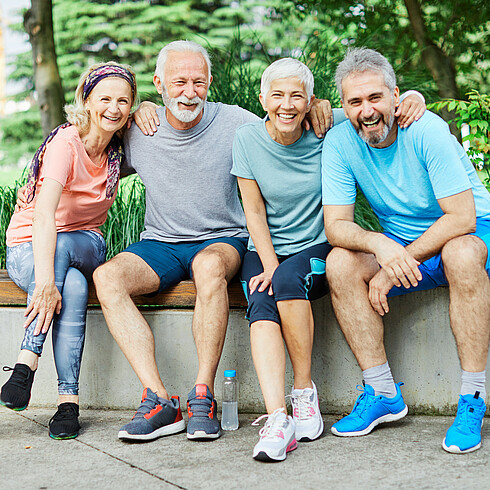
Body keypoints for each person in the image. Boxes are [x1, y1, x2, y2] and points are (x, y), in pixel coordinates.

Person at [92, 40, 338, 443]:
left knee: (208, 267)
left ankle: (201, 393)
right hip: (161, 243)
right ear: (159, 83)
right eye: (179, 82)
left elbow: (283, 114)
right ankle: (158, 399)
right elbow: (90, 145)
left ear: (210, 84)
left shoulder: (237, 123)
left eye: (198, 82)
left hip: (222, 240)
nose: (189, 92)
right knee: (107, 278)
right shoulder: (138, 129)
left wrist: (317, 103)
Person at [232, 58, 425, 462]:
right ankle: (277, 418)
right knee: (261, 300)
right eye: (278, 95)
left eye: (297, 96)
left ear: (311, 101)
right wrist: (267, 262)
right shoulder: (246, 139)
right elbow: (253, 211)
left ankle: (304, 393)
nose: (287, 105)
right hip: (265, 248)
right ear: (263, 99)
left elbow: (375, 108)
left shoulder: (330, 124)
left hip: (317, 246)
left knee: (286, 280)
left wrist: (412, 97)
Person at [322, 47, 490, 454]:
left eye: (375, 98)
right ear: (344, 106)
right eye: (355, 102)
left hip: (471, 231)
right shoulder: (341, 140)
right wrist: (380, 245)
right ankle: (381, 392)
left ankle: (472, 399)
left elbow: (462, 217)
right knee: (340, 262)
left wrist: (400, 260)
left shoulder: (425, 128)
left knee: (460, 254)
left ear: (396, 96)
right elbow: (337, 225)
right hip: (400, 242)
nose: (366, 110)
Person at [0, 62, 137, 439]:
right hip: (29, 244)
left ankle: (26, 364)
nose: (114, 107)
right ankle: (67, 404)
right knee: (73, 286)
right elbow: (44, 216)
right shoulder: (66, 142)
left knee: (64, 247)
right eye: (105, 98)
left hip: (86, 241)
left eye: (124, 101)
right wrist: (46, 283)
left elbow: (157, 123)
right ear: (87, 100)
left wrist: (149, 109)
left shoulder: (119, 149)